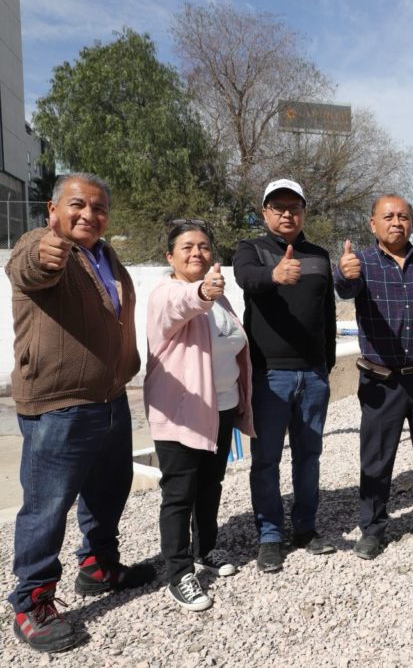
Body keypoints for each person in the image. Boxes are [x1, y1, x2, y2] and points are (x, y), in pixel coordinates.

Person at [6, 173, 153, 653]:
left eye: (99, 207)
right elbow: (28, 267)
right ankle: (31, 602)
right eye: (77, 204)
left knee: (109, 492)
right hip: (60, 405)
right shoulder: (40, 244)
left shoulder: (107, 256)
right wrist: (44, 253)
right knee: (47, 507)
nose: (89, 214)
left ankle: (97, 566)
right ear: (53, 210)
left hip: (110, 398)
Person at [335, 195, 413, 560]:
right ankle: (373, 529)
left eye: (403, 216)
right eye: (388, 216)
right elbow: (344, 288)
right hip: (381, 381)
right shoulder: (361, 263)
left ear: (411, 222)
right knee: (376, 458)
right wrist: (343, 273)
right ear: (372, 224)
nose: (396, 222)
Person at [144, 221, 255, 611]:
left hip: (220, 409)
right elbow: (181, 305)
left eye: (204, 246)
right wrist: (202, 291)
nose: (197, 253)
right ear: (169, 256)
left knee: (210, 485)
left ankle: (206, 549)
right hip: (182, 413)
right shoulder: (166, 293)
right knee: (179, 494)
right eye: (187, 246)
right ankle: (179, 572)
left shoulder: (221, 300)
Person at [234, 178, 337, 573]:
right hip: (269, 375)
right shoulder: (251, 249)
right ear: (265, 213)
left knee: (309, 457)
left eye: (294, 207)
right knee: (266, 460)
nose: (287, 214)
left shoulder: (319, 255)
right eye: (278, 207)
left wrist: (326, 363)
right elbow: (246, 278)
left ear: (304, 212)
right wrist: (274, 275)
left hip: (313, 375)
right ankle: (270, 536)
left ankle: (306, 529)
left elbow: (327, 313)